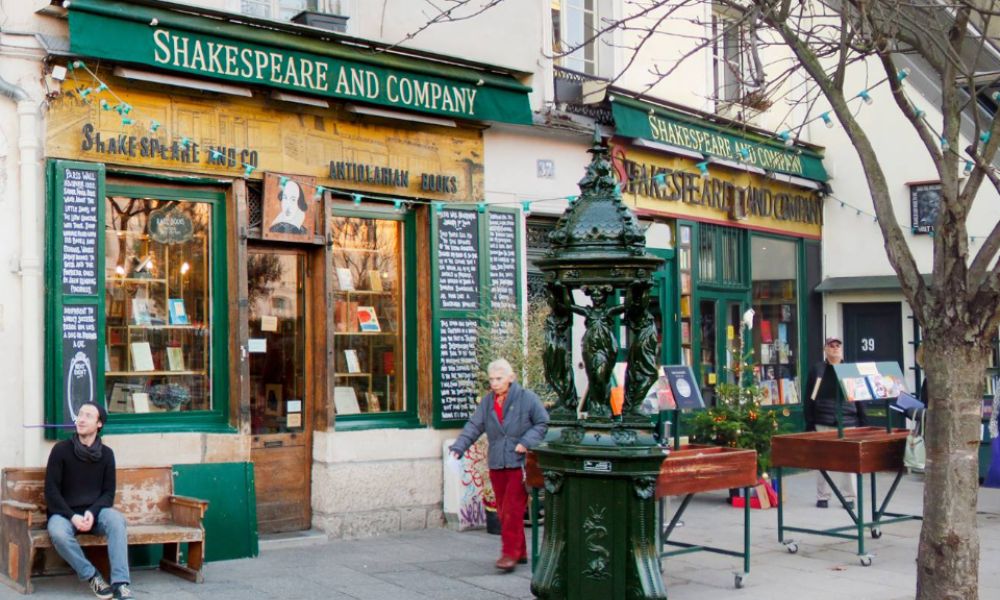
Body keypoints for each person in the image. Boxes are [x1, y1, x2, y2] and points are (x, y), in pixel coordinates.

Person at [450, 359, 549, 572]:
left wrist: (526, 442)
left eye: (499, 378)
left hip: (518, 462)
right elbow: (475, 425)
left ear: (511, 378)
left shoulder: (527, 398)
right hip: (497, 462)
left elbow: (543, 423)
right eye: (492, 379)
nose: (494, 383)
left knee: (512, 510)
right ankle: (520, 551)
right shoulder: (488, 402)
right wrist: (459, 447)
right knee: (503, 509)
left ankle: (509, 554)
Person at [44, 402, 133, 600]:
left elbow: (108, 493)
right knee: (58, 532)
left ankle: (121, 583)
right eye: (80, 414)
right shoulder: (61, 450)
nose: (81, 419)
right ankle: (92, 576)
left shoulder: (107, 455)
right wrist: (72, 516)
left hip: (95, 513)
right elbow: (51, 492)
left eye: (88, 416)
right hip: (64, 513)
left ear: (99, 424)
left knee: (117, 521)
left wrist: (92, 513)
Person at [804, 336, 866, 509]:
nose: (835, 348)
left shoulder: (850, 369)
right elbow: (809, 397)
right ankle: (823, 495)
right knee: (823, 459)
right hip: (823, 419)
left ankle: (849, 497)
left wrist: (863, 419)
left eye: (838, 345)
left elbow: (859, 396)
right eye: (831, 346)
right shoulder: (818, 369)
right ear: (825, 349)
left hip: (847, 420)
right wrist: (809, 421)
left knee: (849, 461)